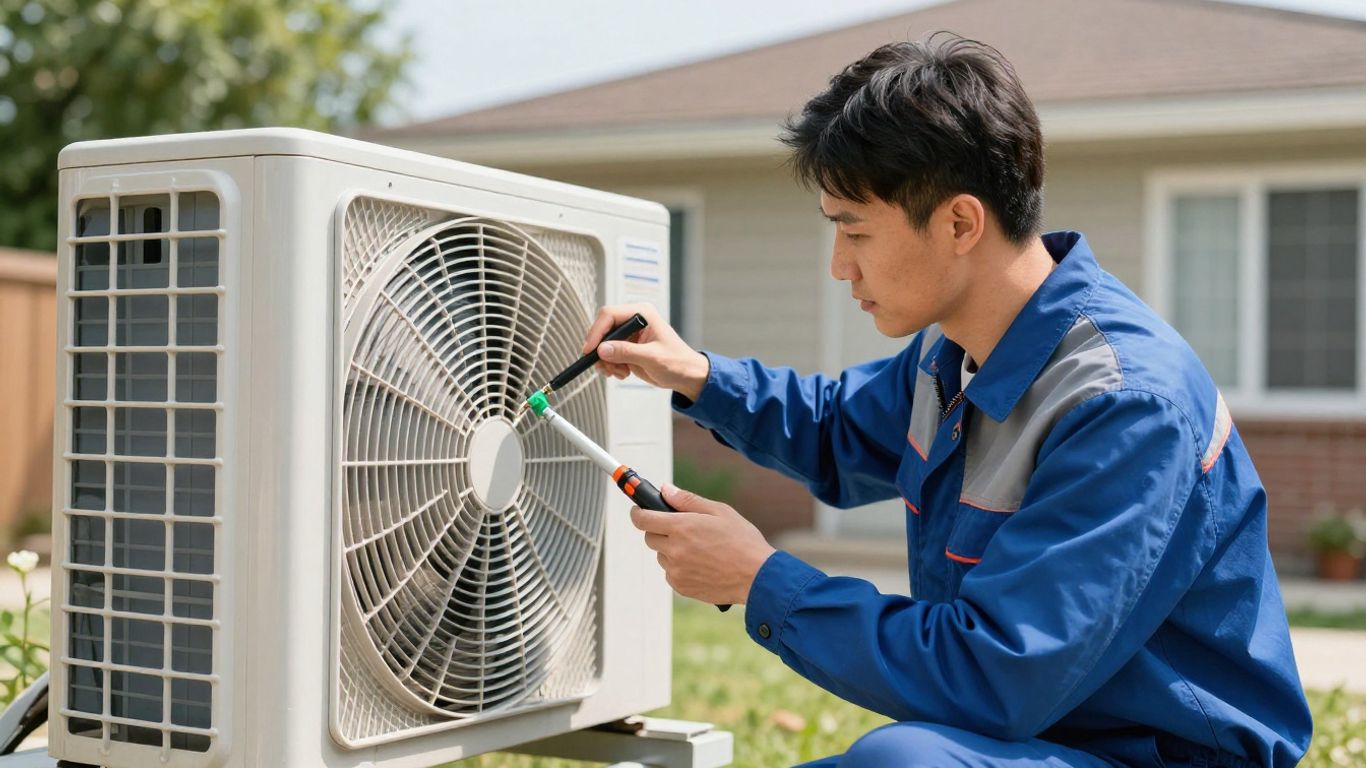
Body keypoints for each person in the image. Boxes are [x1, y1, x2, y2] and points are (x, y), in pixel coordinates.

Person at [581, 33, 1311, 767]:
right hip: (1039, 741)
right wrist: (693, 374)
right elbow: (838, 428)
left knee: (903, 763)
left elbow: (994, 674)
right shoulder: (955, 354)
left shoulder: (1123, 404)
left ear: (960, 223)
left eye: (855, 231)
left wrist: (761, 581)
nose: (840, 267)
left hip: (1163, 755)